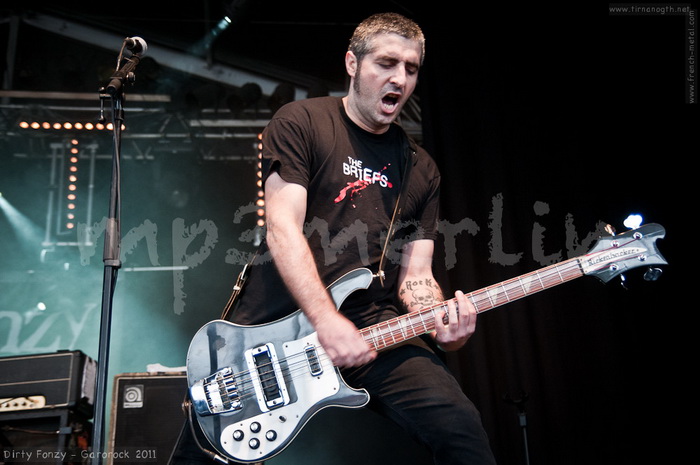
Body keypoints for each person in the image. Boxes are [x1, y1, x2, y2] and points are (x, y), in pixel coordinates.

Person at [171, 12, 496, 465]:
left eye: (411, 68)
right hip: (275, 322)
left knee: (460, 428)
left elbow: (416, 276)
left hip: (373, 326)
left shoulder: (420, 168)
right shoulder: (302, 121)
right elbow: (282, 227)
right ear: (352, 63)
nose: (400, 78)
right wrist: (324, 319)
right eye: (386, 63)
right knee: (207, 454)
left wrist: (444, 328)